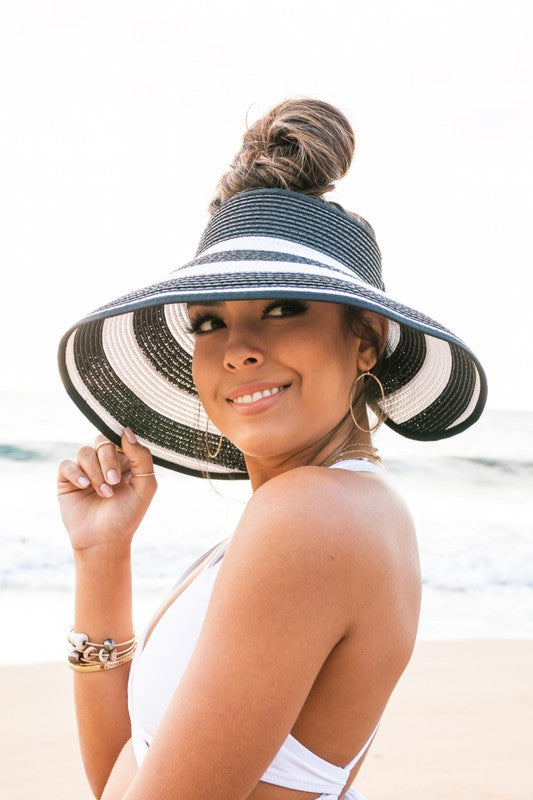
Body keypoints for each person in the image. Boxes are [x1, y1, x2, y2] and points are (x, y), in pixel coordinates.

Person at [56, 98, 487, 800]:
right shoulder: (323, 511)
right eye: (209, 321)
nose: (239, 351)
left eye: (283, 307)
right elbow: (116, 778)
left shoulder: (311, 515)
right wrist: (101, 559)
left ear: (365, 341)